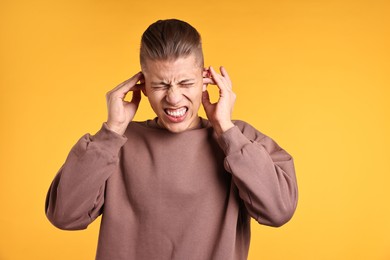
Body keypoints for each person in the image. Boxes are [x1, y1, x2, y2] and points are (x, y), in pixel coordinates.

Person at [45, 19, 298, 260]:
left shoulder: (240, 140)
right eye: (160, 85)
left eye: (186, 82)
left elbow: (279, 211)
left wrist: (226, 131)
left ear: (205, 80)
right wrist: (110, 133)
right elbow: (64, 215)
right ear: (142, 86)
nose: (174, 98)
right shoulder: (117, 143)